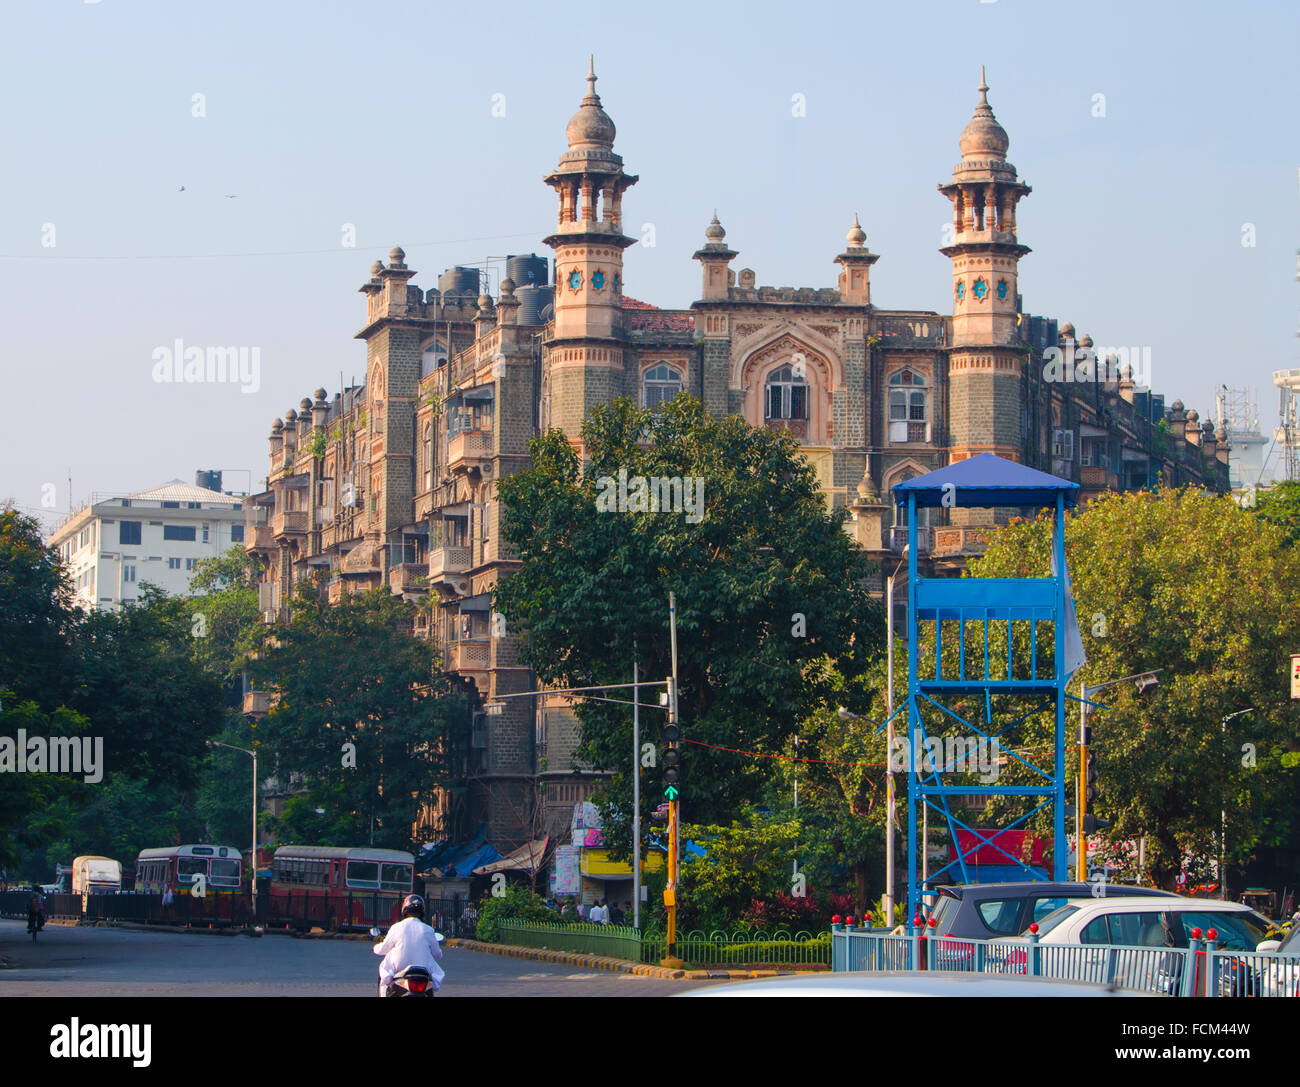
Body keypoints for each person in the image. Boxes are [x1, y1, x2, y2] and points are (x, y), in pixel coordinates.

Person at [373, 894, 445, 997]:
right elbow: (437, 955)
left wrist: (375, 948)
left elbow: (384, 948)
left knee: (385, 965)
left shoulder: (396, 927)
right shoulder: (429, 930)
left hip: (399, 969)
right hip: (423, 972)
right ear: (422, 911)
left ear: (404, 910)